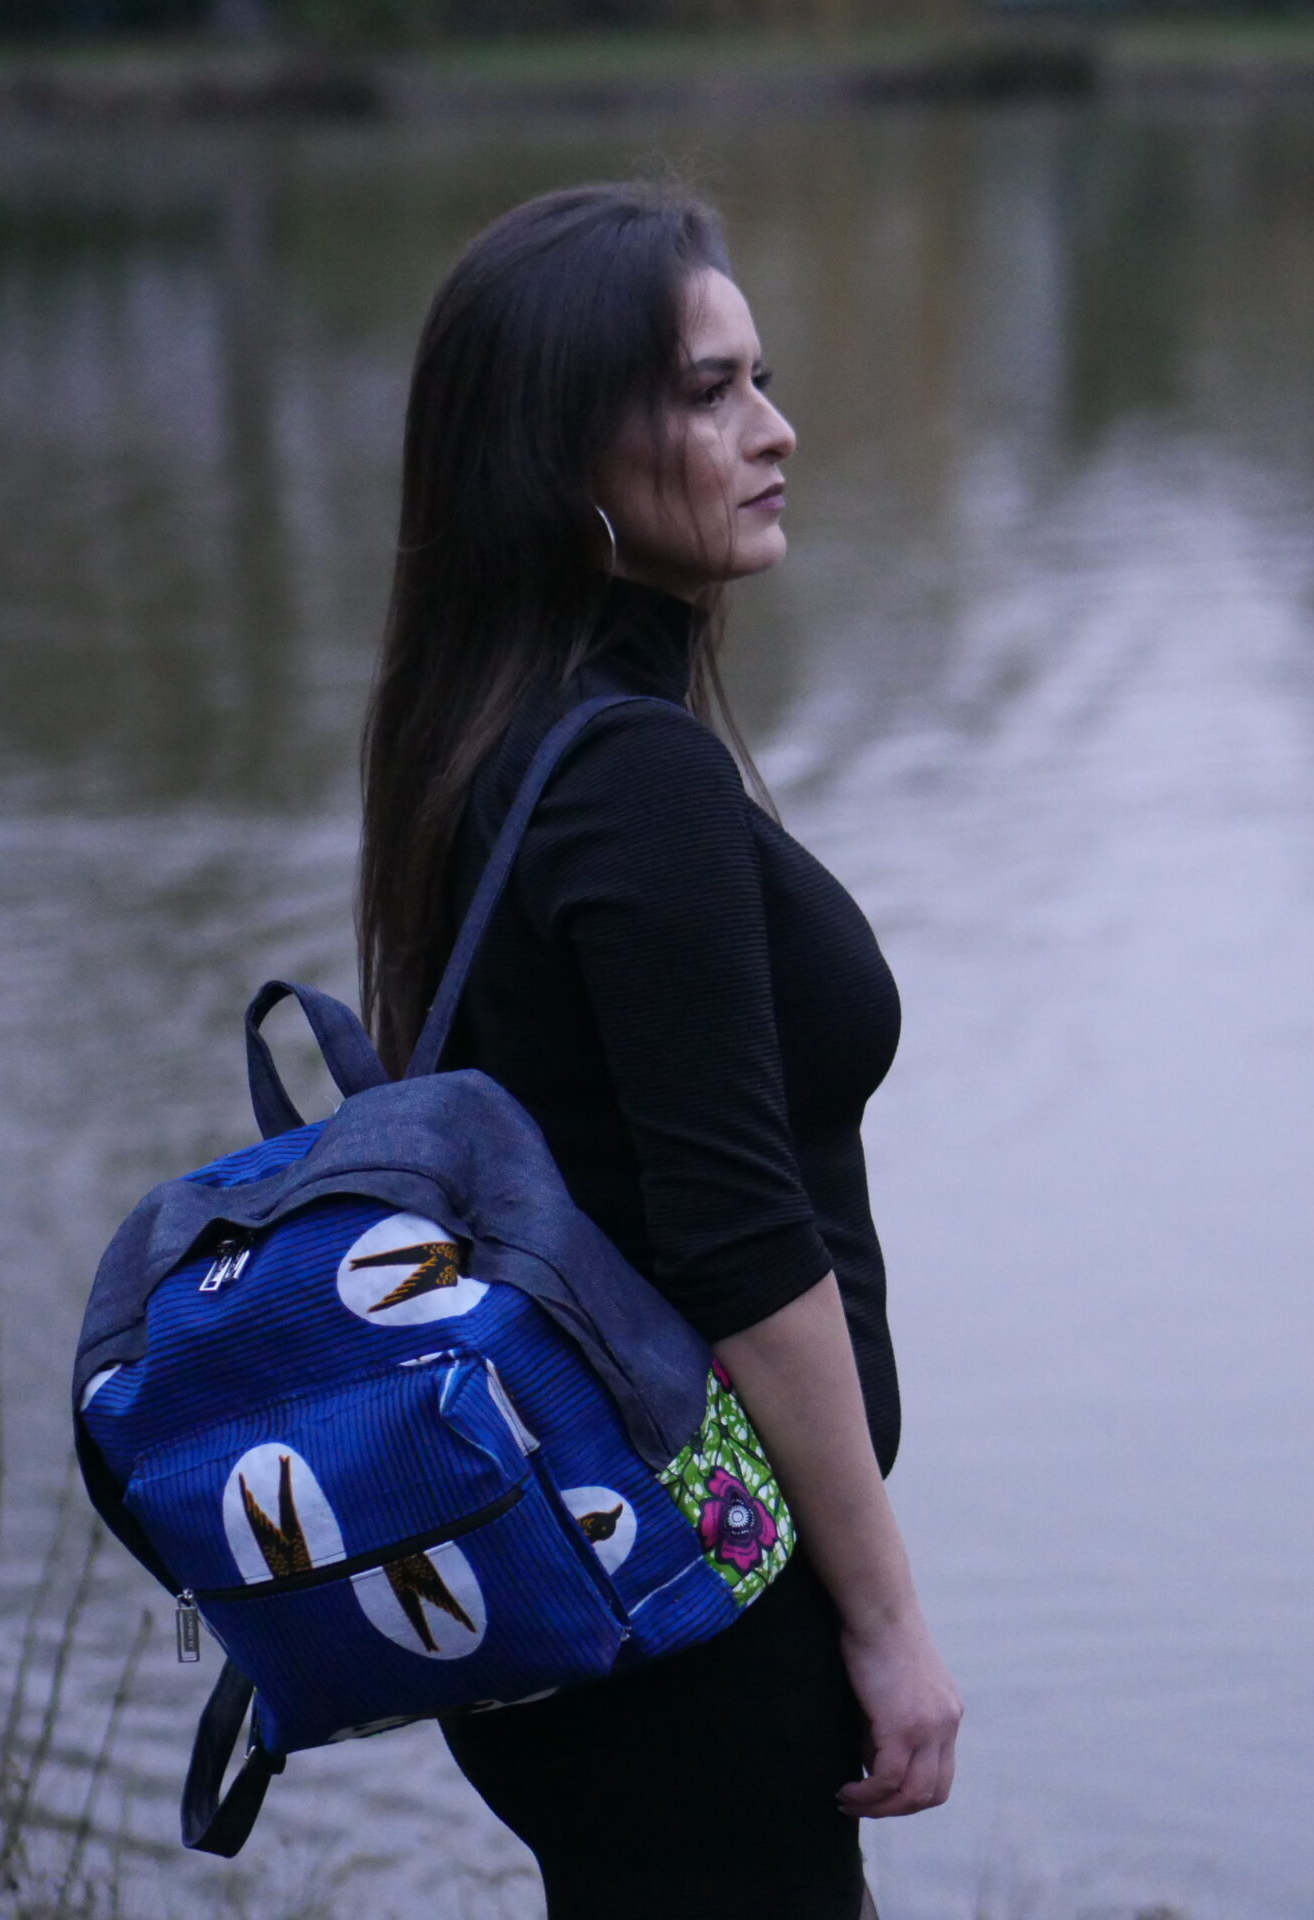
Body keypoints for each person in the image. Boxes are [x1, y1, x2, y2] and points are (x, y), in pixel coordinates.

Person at [353, 182, 960, 1920]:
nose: (775, 430)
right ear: (561, 461)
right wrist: (887, 1623)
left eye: (759, 378)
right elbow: (741, 1244)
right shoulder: (630, 781)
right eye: (709, 393)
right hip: (704, 1617)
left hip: (581, 1593)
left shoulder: (487, 743)